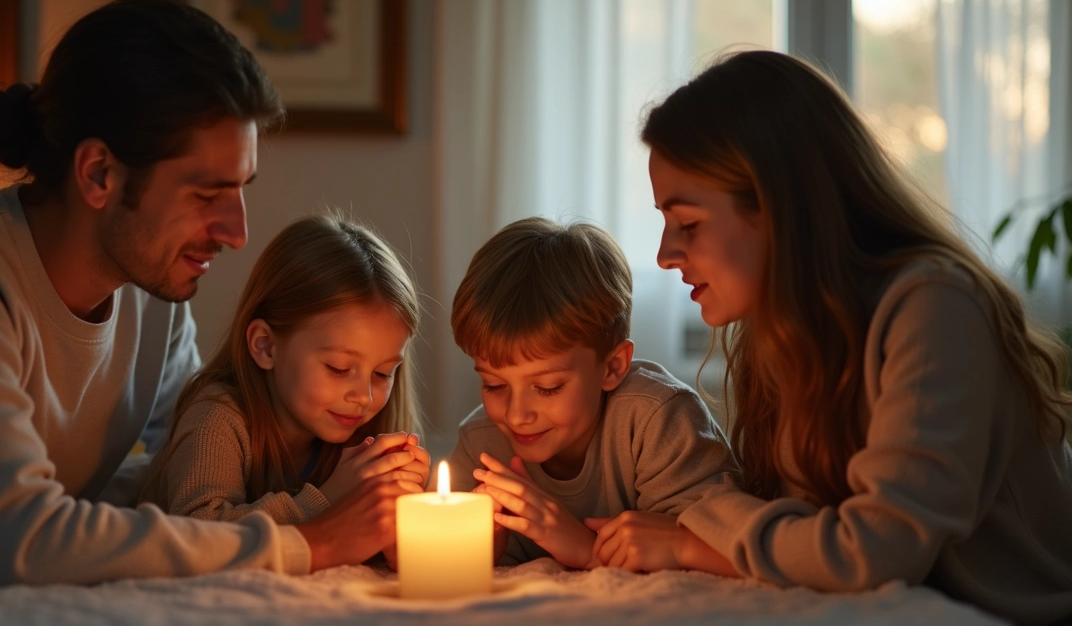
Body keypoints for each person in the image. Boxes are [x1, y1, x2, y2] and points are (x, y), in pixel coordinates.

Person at [0, 0, 405, 625]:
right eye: (207, 194)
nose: (236, 231)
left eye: (241, 191)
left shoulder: (154, 288)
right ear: (98, 175)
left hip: (58, 597)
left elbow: (181, 482)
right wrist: (315, 538)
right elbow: (20, 544)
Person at [588, 50, 1072, 625]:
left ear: (780, 207)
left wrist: (696, 534)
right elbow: (802, 531)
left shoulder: (936, 305)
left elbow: (877, 551)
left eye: (688, 223)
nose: (666, 255)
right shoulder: (788, 333)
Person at [447, 217, 736, 569]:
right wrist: (481, 546)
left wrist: (587, 549)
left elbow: (723, 555)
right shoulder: (481, 442)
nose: (516, 415)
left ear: (612, 367)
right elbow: (445, 560)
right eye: (494, 385)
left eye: (547, 387)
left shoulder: (656, 419)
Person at [139, 213, 429, 529]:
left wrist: (402, 511)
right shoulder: (216, 418)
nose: (364, 396)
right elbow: (200, 531)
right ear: (266, 346)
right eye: (339, 368)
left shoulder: (363, 437)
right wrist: (330, 496)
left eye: (384, 373)